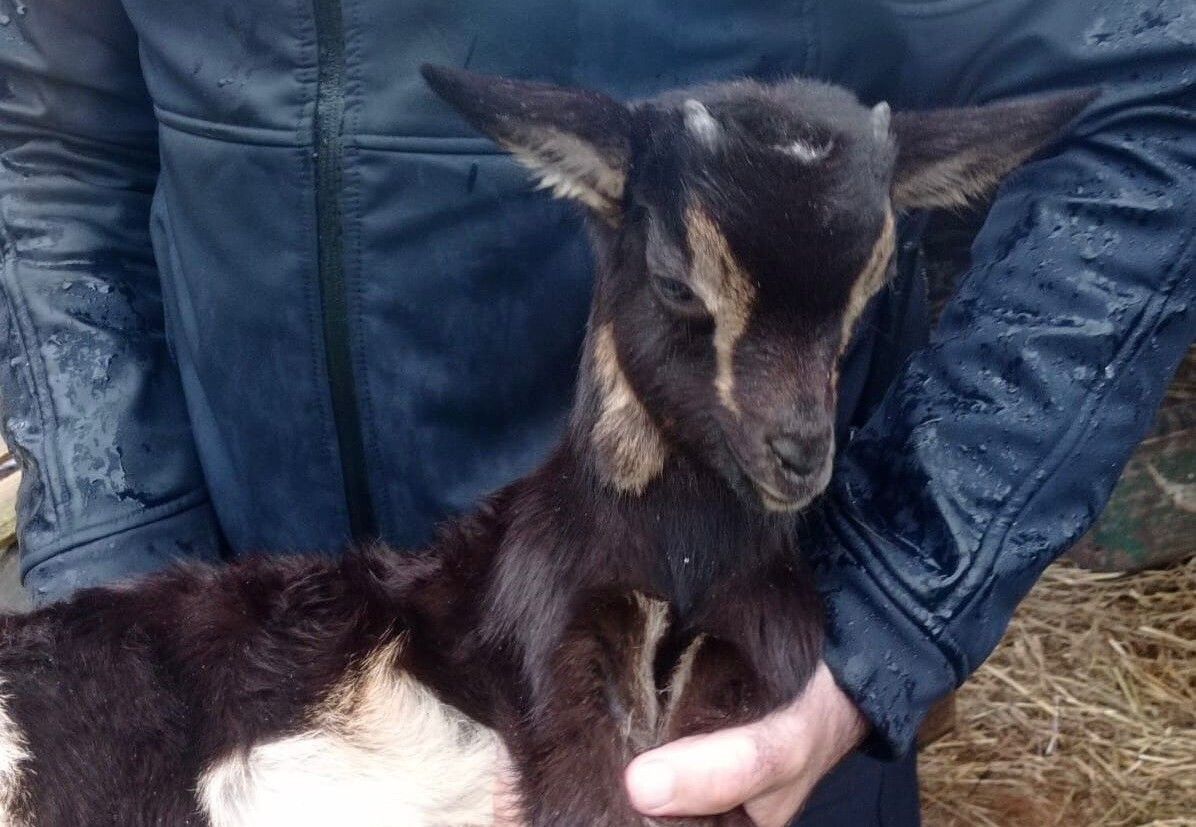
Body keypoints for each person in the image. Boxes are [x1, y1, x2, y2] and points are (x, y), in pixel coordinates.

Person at [0, 1, 1192, 825]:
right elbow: (58, 140)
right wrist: (127, 614)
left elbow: (1144, 92)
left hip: (707, 682)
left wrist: (889, 605)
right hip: (252, 687)